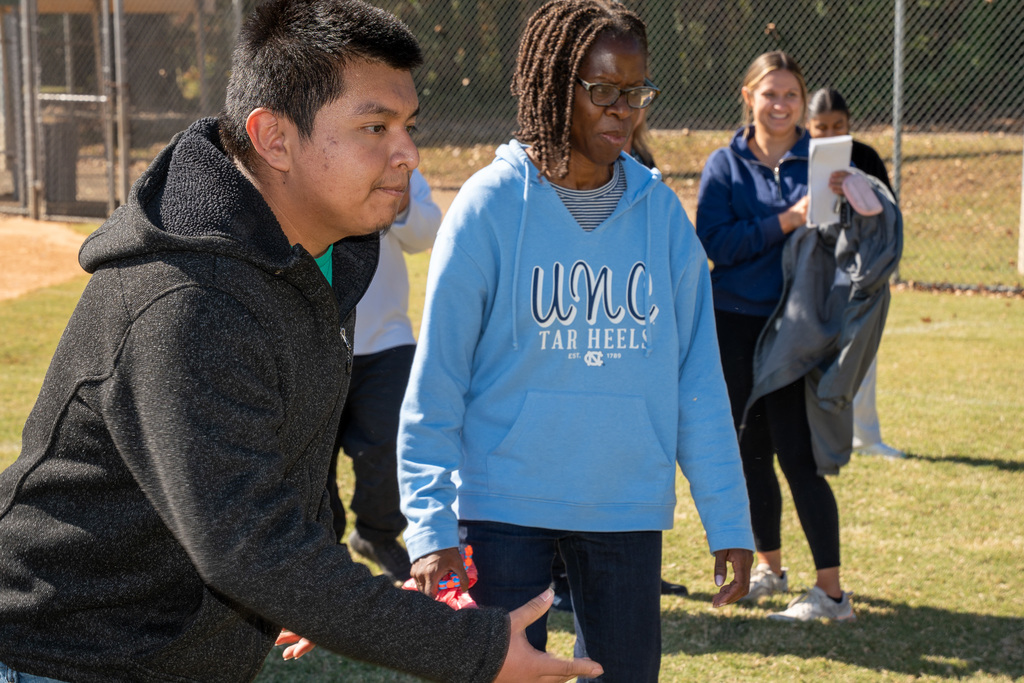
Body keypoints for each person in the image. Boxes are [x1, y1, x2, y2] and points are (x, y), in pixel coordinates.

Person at [0, 1, 605, 681]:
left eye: (408, 126)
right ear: (274, 139)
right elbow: (248, 544)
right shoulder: (189, 299)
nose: (407, 152)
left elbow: (283, 471)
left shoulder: (322, 255)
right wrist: (473, 648)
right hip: (59, 658)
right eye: (375, 126)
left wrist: (329, 594)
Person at [397, 1, 755, 680]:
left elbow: (698, 381)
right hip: (502, 508)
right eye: (603, 91)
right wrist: (430, 525)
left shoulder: (664, 218)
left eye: (636, 91)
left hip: (625, 511)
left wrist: (729, 517)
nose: (624, 110)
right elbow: (437, 381)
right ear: (556, 86)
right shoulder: (490, 206)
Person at [695, 51, 856, 622]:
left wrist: (848, 201)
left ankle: (833, 595)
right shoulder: (724, 165)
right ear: (749, 97)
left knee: (798, 456)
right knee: (749, 454)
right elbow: (715, 244)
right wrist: (785, 220)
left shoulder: (823, 161)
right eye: (771, 94)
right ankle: (770, 568)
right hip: (733, 323)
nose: (781, 104)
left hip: (794, 331)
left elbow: (844, 243)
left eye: (791, 95)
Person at [329, 168, 442, 583]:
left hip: (388, 342)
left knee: (388, 447)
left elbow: (426, 235)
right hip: (316, 340)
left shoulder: (401, 172)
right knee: (314, 459)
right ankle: (325, 551)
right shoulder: (310, 163)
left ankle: (376, 536)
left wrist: (406, 199)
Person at [807, 87, 905, 460]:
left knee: (862, 353)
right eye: (821, 127)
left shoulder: (864, 156)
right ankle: (812, 435)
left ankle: (866, 437)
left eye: (839, 126)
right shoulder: (797, 156)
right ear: (808, 126)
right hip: (812, 270)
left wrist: (857, 188)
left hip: (859, 270)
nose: (831, 134)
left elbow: (887, 213)